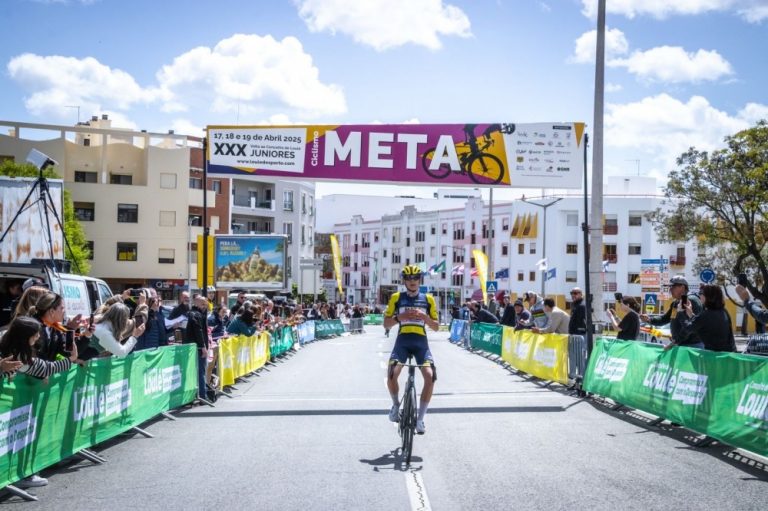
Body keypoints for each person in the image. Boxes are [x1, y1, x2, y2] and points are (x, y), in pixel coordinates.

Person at [0, 315, 79, 489]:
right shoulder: (18, 355)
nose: (37, 338)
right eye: (35, 335)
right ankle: (16, 474)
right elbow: (46, 367)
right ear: (24, 335)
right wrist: (71, 359)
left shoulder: (5, 337)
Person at [383, 265, 439, 435]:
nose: (413, 281)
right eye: (409, 278)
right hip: (403, 341)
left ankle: (420, 419)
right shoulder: (396, 298)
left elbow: (436, 327)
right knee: (392, 372)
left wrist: (424, 317)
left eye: (416, 278)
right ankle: (395, 405)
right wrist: (400, 317)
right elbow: (386, 324)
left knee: (430, 376)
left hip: (421, 342)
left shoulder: (428, 299)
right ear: (404, 281)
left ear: (420, 280)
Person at [640, 275, 703, 348]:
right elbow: (665, 319)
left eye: (673, 287)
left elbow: (689, 327)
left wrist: (676, 341)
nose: (670, 290)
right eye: (670, 287)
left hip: (690, 345)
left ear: (682, 287)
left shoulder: (686, 300)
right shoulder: (677, 302)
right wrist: (650, 319)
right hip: (683, 344)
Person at [678, 285, 736, 352]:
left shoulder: (706, 314)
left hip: (715, 356)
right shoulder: (723, 311)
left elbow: (688, 328)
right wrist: (691, 314)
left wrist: (680, 312)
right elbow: (700, 322)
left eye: (701, 293)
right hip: (729, 354)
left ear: (708, 296)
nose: (699, 295)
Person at [186, 295, 210, 399]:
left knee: (200, 371)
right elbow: (198, 331)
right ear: (196, 302)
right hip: (198, 347)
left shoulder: (196, 314)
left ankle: (200, 394)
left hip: (195, 346)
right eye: (202, 303)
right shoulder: (196, 314)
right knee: (201, 371)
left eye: (205, 304)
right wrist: (203, 346)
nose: (204, 306)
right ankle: (202, 395)